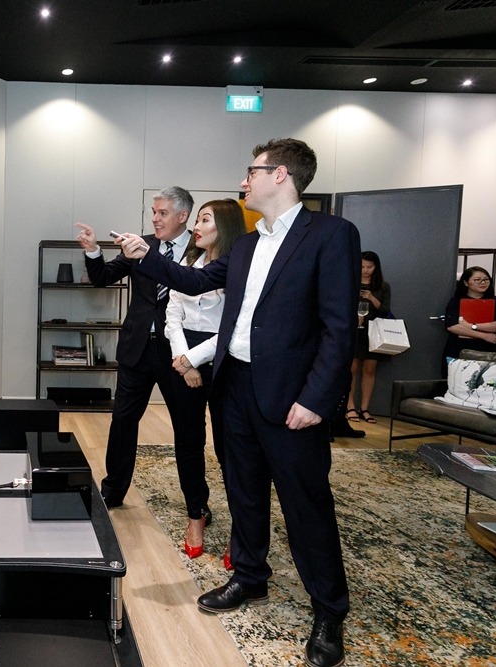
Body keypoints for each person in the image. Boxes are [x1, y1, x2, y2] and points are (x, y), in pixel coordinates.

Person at [118, 138, 358, 667]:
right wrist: (147, 256)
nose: (244, 181)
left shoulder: (331, 235)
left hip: (293, 397)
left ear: (282, 175)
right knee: (244, 491)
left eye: (252, 172)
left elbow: (339, 329)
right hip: (235, 387)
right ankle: (250, 577)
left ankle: (329, 610)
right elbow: (195, 279)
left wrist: (317, 399)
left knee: (306, 507)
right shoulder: (246, 245)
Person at [75, 186, 194, 509]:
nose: (155, 219)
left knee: (187, 430)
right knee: (123, 422)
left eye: (163, 213)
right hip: (136, 350)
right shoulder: (142, 244)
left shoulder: (200, 248)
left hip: (180, 354)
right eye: (153, 212)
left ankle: (196, 502)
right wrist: (93, 250)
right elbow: (103, 277)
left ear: (183, 216)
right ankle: (112, 492)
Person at [164, 199, 246, 563]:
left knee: (231, 450)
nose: (196, 226)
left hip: (225, 360)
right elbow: (172, 315)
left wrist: (194, 359)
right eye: (197, 219)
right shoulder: (188, 264)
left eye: (205, 219)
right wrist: (184, 362)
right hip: (185, 358)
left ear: (224, 227)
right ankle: (195, 515)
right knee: (188, 442)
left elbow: (233, 327)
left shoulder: (238, 270)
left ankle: (241, 529)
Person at [347, 251, 391, 424]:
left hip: (373, 331)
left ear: (375, 267)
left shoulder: (382, 286)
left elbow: (385, 310)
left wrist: (371, 297)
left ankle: (365, 408)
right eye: (362, 266)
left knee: (370, 369)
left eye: (369, 267)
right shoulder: (350, 282)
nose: (365, 270)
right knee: (351, 369)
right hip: (353, 330)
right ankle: (350, 406)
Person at [441, 266, 496, 374]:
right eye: (477, 280)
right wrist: (484, 335)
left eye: (486, 279)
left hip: (487, 349)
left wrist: (471, 326)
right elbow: (452, 326)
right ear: (466, 283)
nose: (482, 282)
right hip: (459, 348)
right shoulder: (456, 301)